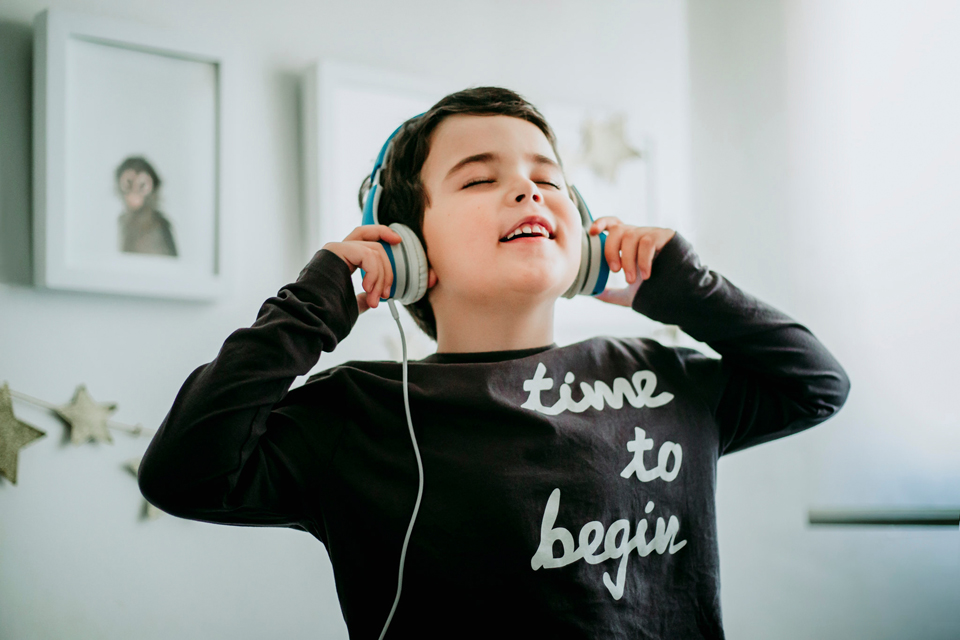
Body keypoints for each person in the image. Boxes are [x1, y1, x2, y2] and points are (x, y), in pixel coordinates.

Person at [138, 87, 850, 639]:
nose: (529, 189)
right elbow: (183, 474)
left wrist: (687, 290)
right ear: (407, 253)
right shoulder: (361, 412)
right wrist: (311, 306)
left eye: (549, 178)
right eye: (479, 180)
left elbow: (816, 384)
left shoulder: (665, 376)